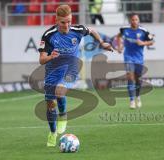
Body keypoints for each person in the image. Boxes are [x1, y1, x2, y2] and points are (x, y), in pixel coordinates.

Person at [38, 4, 112, 147]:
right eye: (63, 22)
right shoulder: (48, 35)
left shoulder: (77, 30)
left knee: (60, 91)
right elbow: (41, 60)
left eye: (69, 21)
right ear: (56, 20)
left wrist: (102, 43)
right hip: (52, 71)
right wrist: (50, 57)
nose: (67, 25)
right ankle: (53, 133)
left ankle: (63, 116)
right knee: (50, 105)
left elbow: (92, 31)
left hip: (71, 68)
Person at [116, 13, 154, 109]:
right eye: (133, 20)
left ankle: (138, 96)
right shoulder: (124, 29)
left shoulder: (143, 31)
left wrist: (143, 43)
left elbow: (152, 41)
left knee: (138, 79)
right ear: (130, 21)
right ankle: (132, 101)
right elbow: (119, 36)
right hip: (128, 57)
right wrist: (120, 46)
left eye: (136, 19)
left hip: (139, 58)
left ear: (139, 20)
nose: (134, 21)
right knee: (130, 77)